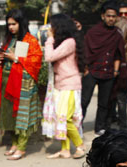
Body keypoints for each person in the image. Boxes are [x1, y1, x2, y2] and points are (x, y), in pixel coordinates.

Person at [0, 8, 43, 160]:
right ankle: (14, 143)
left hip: (22, 84)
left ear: (21, 23)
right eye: (9, 24)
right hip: (6, 82)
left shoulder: (30, 41)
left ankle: (22, 147)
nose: (11, 27)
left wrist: (15, 58)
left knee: (21, 115)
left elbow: (36, 61)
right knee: (8, 115)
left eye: (14, 24)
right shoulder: (9, 39)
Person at [42, 13, 85, 159]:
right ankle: (65, 149)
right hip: (61, 85)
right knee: (60, 118)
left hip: (69, 85)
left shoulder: (69, 42)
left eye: (52, 26)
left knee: (66, 119)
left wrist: (49, 39)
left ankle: (80, 145)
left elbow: (49, 57)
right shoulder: (64, 42)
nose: (50, 28)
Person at [81, 2, 125, 136]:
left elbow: (118, 54)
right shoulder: (93, 32)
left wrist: (116, 71)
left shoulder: (117, 34)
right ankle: (77, 125)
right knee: (84, 100)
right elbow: (85, 51)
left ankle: (99, 127)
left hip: (108, 72)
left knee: (104, 102)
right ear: (102, 16)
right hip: (92, 71)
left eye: (113, 16)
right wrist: (85, 68)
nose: (111, 19)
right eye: (108, 16)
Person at [108, 3, 127, 130]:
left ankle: (122, 123)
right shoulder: (111, 25)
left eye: (126, 13)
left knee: (121, 96)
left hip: (124, 67)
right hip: (110, 65)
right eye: (121, 13)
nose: (123, 16)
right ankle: (111, 120)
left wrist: (123, 58)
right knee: (110, 95)